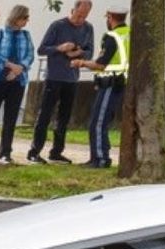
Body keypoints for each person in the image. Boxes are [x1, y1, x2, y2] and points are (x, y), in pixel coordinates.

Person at [26, 0, 94, 164]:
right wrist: (60, 48)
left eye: (84, 16)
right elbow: (42, 49)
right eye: (79, 15)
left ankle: (56, 152)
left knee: (64, 117)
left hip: (72, 79)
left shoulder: (88, 28)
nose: (80, 19)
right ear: (73, 10)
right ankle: (34, 151)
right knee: (45, 115)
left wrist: (79, 53)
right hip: (54, 77)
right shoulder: (58, 26)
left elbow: (90, 52)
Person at [72, 4, 130, 168]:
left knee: (97, 123)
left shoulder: (112, 36)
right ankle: (98, 157)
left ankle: (100, 159)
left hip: (110, 83)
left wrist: (81, 62)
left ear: (110, 17)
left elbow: (101, 64)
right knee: (102, 122)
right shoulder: (129, 34)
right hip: (121, 82)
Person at [0, 4, 35, 164]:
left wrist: (20, 68)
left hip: (18, 82)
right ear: (16, 18)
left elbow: (30, 55)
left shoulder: (26, 35)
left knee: (10, 119)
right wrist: (10, 65)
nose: (27, 21)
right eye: (25, 18)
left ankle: (5, 153)